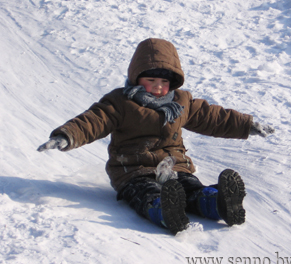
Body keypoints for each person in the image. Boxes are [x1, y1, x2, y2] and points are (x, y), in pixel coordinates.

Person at [38, 38, 274, 235]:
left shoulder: (181, 102)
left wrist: (247, 125)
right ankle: (165, 211)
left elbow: (213, 117)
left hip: (174, 167)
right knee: (146, 193)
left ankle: (219, 203)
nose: (158, 87)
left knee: (191, 188)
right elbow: (94, 120)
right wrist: (66, 136)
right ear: (135, 78)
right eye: (151, 81)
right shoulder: (121, 102)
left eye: (164, 82)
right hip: (133, 170)